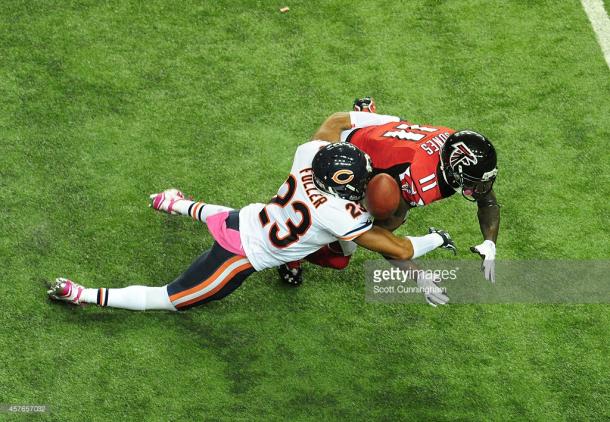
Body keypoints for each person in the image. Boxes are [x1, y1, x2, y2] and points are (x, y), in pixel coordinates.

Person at [48, 140, 458, 310]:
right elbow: (399, 249)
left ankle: (172, 202)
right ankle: (82, 293)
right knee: (170, 300)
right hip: (241, 256)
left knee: (220, 215)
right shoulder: (343, 216)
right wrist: (435, 238)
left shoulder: (306, 161)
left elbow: (330, 130)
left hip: (250, 217)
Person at [278, 97, 500, 286]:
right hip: (349, 163)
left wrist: (489, 242)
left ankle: (364, 119)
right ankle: (291, 256)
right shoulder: (417, 181)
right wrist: (419, 275)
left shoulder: (451, 142)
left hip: (384, 138)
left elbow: (487, 199)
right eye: (473, 181)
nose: (480, 188)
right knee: (340, 255)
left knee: (395, 124)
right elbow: (384, 242)